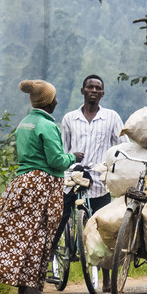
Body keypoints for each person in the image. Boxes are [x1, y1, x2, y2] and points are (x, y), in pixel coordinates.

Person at [0, 79, 82, 294]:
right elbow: (56, 160)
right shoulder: (48, 126)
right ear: (50, 102)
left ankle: (23, 287)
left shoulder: (25, 123)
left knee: (25, 235)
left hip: (23, 182)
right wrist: (74, 157)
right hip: (43, 185)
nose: (57, 101)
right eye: (55, 97)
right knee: (41, 235)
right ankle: (33, 289)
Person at [58, 73, 123, 233]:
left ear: (102, 93)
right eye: (90, 87)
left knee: (104, 224)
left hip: (99, 178)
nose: (94, 90)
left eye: (98, 88)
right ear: (82, 91)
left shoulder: (111, 117)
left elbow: (123, 145)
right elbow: (64, 149)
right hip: (73, 178)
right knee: (60, 216)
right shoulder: (70, 119)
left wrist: (113, 165)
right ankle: (51, 251)